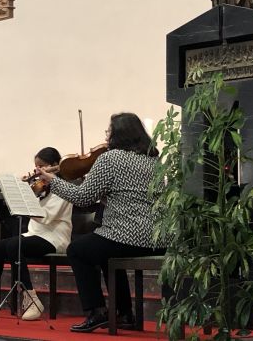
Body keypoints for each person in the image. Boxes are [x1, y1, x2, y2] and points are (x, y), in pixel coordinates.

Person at [37, 113, 165, 333]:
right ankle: (124, 313)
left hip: (127, 234)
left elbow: (83, 198)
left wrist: (54, 181)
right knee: (102, 249)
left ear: (118, 134)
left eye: (109, 131)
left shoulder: (110, 158)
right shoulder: (153, 160)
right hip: (157, 237)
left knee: (77, 250)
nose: (106, 135)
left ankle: (96, 311)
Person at [0, 147, 72, 320]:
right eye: (36, 167)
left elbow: (46, 217)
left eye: (42, 166)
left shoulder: (64, 189)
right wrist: (21, 190)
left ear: (53, 166)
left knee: (15, 245)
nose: (37, 171)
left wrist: (25, 199)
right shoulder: (41, 187)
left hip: (55, 237)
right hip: (34, 234)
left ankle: (32, 300)